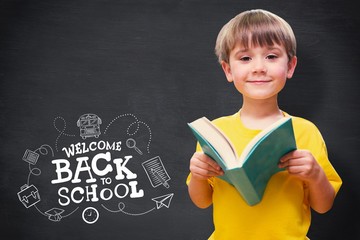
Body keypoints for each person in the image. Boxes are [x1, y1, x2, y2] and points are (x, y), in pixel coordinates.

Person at [187, 9, 342, 240]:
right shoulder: (215, 133)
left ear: (290, 66)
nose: (259, 67)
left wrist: (316, 175)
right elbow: (201, 201)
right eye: (245, 58)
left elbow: (324, 206)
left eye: (271, 56)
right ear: (228, 70)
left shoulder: (305, 131)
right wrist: (198, 175)